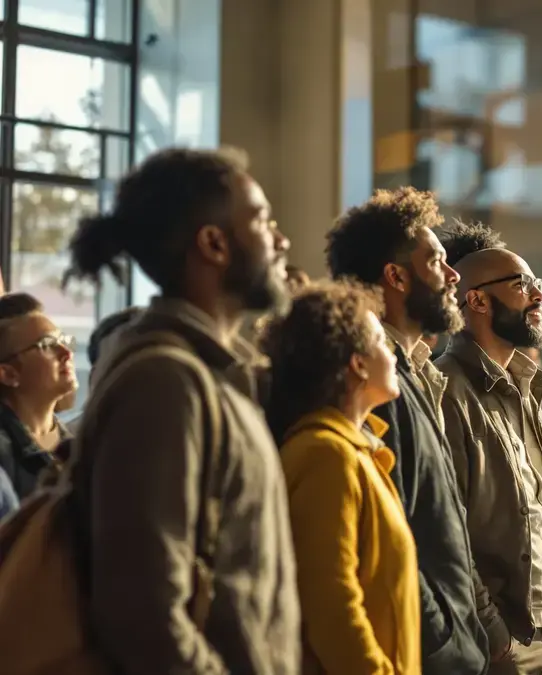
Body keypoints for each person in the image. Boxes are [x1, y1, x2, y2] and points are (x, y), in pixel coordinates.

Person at [62, 147, 300, 674]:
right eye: (261, 220)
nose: (280, 241)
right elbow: (143, 615)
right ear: (214, 244)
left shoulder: (212, 373)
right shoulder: (164, 382)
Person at [325, 188, 488, 675]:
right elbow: (390, 536)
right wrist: (443, 642)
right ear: (395, 276)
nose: (454, 274)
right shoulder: (372, 385)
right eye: (437, 260)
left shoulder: (413, 372)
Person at [261, 281, 419, 674]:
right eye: (382, 342)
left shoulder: (351, 451)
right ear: (358, 363)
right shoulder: (325, 455)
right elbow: (331, 603)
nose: (393, 354)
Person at [435, 221, 542, 674]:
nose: (539, 296)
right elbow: (444, 527)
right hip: (499, 641)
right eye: (523, 284)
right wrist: (491, 630)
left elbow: (541, 510)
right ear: (475, 299)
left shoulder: (527, 386)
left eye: (538, 284)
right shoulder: (445, 390)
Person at [0, 293, 78, 502]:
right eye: (47, 345)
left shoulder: (79, 446)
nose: (66, 352)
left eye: (63, 341)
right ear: (8, 374)